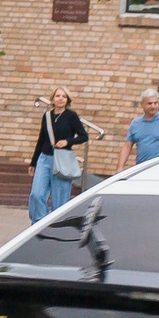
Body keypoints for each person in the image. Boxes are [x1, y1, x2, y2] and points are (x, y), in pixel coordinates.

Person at [28, 88, 97, 222]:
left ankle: (56, 225)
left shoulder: (71, 116)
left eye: (64, 96)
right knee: (36, 194)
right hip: (44, 158)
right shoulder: (47, 116)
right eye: (58, 96)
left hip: (62, 160)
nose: (60, 99)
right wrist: (33, 162)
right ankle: (39, 223)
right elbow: (42, 139)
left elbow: (84, 136)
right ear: (53, 98)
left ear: (67, 100)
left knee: (60, 200)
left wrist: (67, 141)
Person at [121, 87, 159, 168]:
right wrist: (120, 167)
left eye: (156, 103)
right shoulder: (135, 123)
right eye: (150, 103)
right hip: (141, 168)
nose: (153, 106)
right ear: (142, 104)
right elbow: (127, 146)